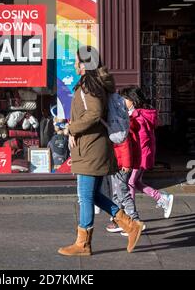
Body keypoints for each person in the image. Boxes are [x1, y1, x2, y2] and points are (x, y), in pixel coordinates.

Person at [58, 46, 144, 256]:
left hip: (90, 148)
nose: (75, 64)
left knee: (85, 196)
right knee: (93, 195)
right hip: (94, 147)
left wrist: (72, 128)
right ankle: (130, 225)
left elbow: (94, 114)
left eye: (78, 61)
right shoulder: (96, 83)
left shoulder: (89, 85)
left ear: (85, 64)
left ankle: (83, 244)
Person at [120, 86, 174, 219]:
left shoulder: (138, 116)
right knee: (136, 182)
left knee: (130, 183)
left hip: (139, 156)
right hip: (141, 155)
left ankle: (131, 217)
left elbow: (142, 140)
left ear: (133, 100)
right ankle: (162, 198)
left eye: (125, 98)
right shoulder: (138, 114)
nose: (122, 101)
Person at [105, 124, 143, 233]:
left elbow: (124, 145)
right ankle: (119, 220)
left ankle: (135, 221)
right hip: (115, 164)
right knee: (117, 194)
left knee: (123, 193)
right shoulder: (115, 124)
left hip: (121, 166)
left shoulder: (118, 126)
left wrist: (126, 164)